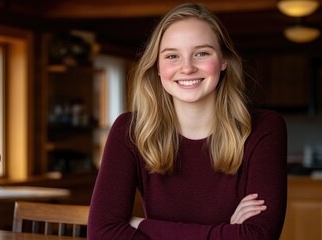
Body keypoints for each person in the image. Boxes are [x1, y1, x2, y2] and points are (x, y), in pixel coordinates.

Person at [87, 3, 287, 240]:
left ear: (223, 60)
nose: (187, 67)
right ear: (158, 68)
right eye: (172, 56)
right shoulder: (129, 130)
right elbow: (102, 233)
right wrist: (229, 232)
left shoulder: (264, 128)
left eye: (201, 53)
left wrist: (143, 226)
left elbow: (258, 236)